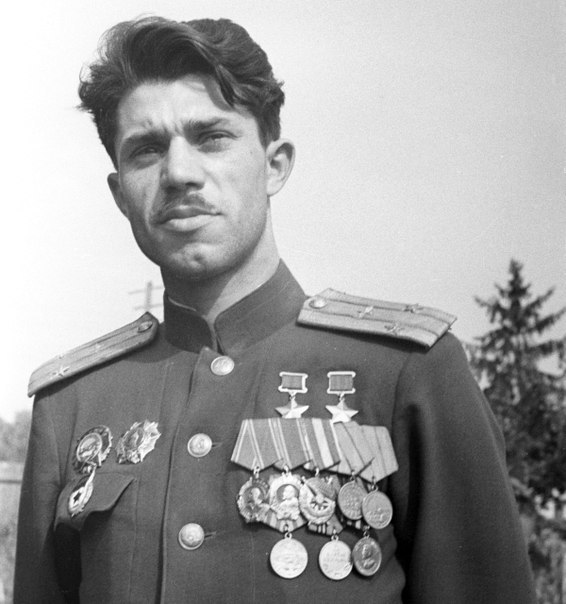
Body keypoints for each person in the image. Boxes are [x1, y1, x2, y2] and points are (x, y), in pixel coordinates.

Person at [15, 15, 536, 604]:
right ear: (119, 194)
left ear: (275, 165)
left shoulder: (406, 373)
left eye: (211, 137)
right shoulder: (73, 406)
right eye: (146, 150)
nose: (179, 173)